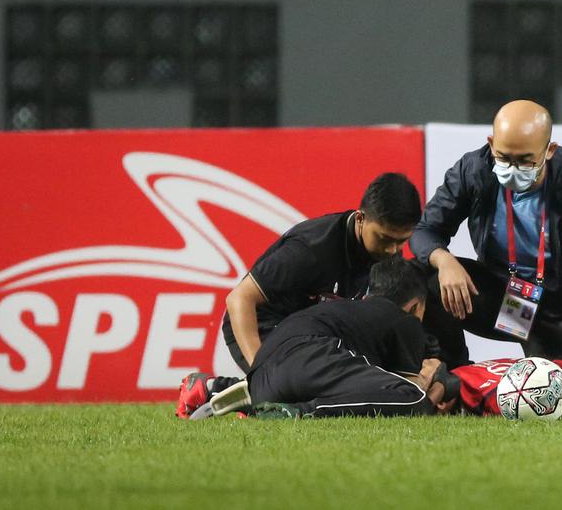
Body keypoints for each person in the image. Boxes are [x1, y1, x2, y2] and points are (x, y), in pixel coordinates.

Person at [175, 172, 422, 417]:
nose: (393, 250)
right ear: (360, 218)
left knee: (339, 385)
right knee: (298, 385)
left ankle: (215, 388)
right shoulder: (312, 248)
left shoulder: (384, 254)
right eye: (385, 239)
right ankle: (218, 389)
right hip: (264, 326)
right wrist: (261, 373)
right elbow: (239, 299)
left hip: (313, 334)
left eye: (402, 241)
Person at [410, 100, 562, 368]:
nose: (512, 169)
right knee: (423, 277)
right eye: (503, 158)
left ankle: (550, 353)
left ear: (550, 150)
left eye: (525, 161)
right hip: (513, 301)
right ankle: (452, 377)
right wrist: (443, 259)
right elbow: (425, 230)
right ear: (491, 144)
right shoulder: (473, 171)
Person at [239, 256, 450, 419]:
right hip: (308, 357)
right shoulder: (406, 320)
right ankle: (300, 412)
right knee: (415, 401)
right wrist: (440, 381)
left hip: (259, 382)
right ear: (415, 306)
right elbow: (408, 391)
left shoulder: (347, 310)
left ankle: (220, 389)